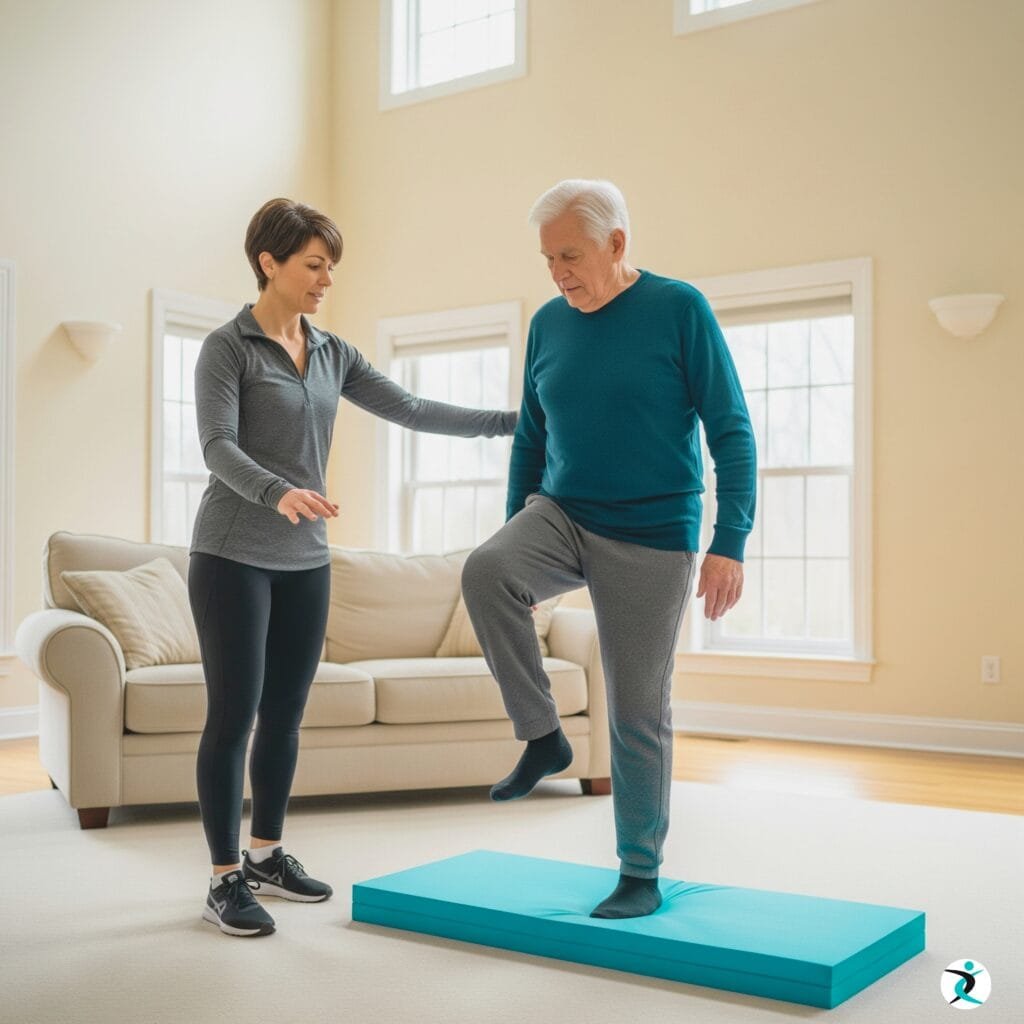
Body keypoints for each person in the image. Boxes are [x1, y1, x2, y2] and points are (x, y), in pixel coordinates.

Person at [188, 198, 518, 937]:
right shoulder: (228, 347)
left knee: (285, 716)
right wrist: (278, 492)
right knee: (234, 716)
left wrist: (512, 422)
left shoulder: (333, 352)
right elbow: (216, 446)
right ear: (269, 264)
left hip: (306, 559)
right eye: (313, 264)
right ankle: (222, 878)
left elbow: (411, 408)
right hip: (230, 554)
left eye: (330, 266)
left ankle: (267, 855)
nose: (325, 278)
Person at [461, 179, 756, 919]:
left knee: (635, 709)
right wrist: (513, 525)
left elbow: (732, 430)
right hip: (561, 511)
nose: (558, 272)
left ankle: (638, 871)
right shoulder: (548, 325)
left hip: (652, 535)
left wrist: (730, 541)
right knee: (486, 570)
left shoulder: (677, 309)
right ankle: (543, 737)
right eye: (547, 258)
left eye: (570, 254)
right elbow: (532, 436)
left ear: (617, 244)